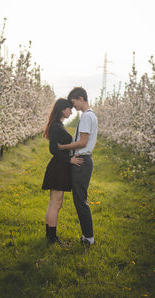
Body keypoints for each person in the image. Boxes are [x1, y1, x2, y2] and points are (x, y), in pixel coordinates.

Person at [58, 87, 98, 245]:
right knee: (80, 199)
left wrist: (62, 147)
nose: (73, 106)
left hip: (81, 161)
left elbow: (82, 142)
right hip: (83, 159)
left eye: (74, 103)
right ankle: (87, 236)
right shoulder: (89, 115)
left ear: (80, 98)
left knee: (80, 200)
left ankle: (89, 238)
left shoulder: (87, 117)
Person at [42, 98, 84, 243]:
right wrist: (70, 160)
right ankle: (52, 238)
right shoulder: (56, 126)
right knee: (56, 203)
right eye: (69, 109)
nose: (71, 112)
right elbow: (53, 149)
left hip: (60, 167)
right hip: (58, 167)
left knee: (54, 203)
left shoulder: (59, 125)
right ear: (61, 109)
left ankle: (49, 235)